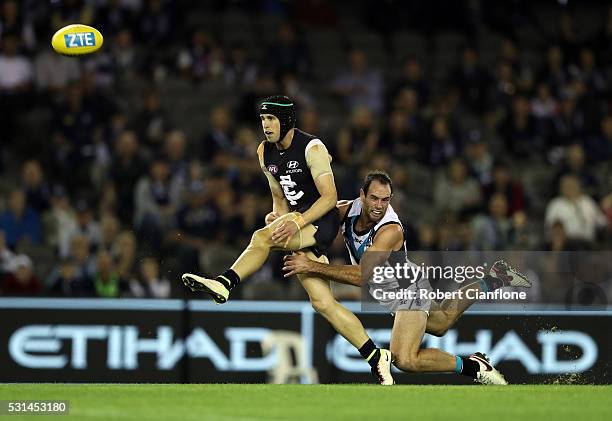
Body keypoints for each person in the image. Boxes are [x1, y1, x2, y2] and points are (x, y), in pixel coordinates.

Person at [182, 95, 394, 385]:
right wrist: (278, 216)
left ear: (287, 121)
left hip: (321, 222)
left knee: (260, 238)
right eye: (262, 119)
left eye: (271, 119)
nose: (265, 125)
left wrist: (296, 220)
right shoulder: (263, 152)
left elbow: (330, 197)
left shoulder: (312, 148)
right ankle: (375, 356)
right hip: (299, 224)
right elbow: (279, 197)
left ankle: (225, 282)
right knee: (323, 303)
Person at [282, 171, 532, 385]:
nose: (379, 205)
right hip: (395, 291)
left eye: (385, 199)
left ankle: (474, 369)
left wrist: (311, 266)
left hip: (408, 290)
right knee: (443, 321)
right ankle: (496, 278)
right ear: (362, 196)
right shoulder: (346, 210)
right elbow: (317, 220)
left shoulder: (390, 230)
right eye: (374, 198)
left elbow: (362, 276)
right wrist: (285, 221)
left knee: (405, 359)